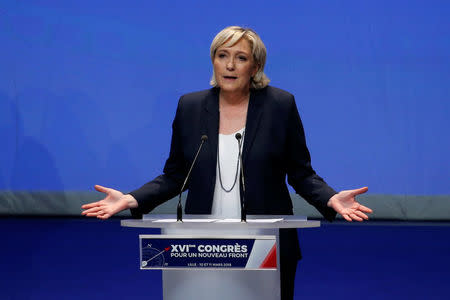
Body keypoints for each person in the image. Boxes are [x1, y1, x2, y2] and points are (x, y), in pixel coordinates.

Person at [82, 26, 373, 299]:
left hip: (265, 244)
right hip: (202, 244)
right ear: (213, 61)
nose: (230, 65)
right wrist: (131, 199)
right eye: (222, 56)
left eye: (241, 58)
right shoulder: (191, 107)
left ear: (256, 67)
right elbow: (175, 176)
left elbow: (300, 173)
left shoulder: (279, 105)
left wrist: (331, 198)